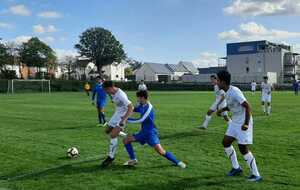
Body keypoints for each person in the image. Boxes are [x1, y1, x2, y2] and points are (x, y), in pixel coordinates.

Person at [216, 70, 262, 182]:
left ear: (222, 81)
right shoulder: (227, 92)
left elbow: (247, 106)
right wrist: (223, 109)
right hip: (235, 122)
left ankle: (256, 175)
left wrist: (246, 123)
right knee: (226, 142)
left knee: (243, 149)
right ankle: (236, 168)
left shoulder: (235, 91)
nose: (216, 82)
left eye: (217, 80)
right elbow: (233, 106)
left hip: (243, 122)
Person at [123, 90, 186, 168]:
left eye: (138, 98)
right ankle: (133, 160)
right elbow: (134, 109)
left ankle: (178, 162)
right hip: (143, 132)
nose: (137, 99)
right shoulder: (142, 105)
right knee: (126, 140)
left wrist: (126, 119)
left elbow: (141, 120)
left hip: (150, 133)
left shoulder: (149, 108)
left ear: (142, 98)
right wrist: (125, 106)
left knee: (161, 151)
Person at [101, 81, 134, 168]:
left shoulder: (121, 95)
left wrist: (124, 120)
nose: (105, 92)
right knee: (107, 130)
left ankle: (111, 157)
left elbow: (131, 107)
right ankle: (127, 136)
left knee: (113, 135)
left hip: (123, 116)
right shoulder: (111, 93)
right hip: (117, 114)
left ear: (110, 88)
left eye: (105, 90)